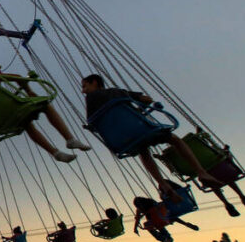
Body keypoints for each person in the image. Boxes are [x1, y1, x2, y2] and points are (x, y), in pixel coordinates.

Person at [80, 74, 220, 195]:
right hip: (140, 129)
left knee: (143, 150)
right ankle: (201, 171)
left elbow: (92, 122)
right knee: (174, 139)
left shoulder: (90, 100)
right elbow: (147, 99)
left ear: (95, 82)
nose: (83, 91)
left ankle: (162, 184)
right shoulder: (116, 92)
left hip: (122, 139)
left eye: (85, 86)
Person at [0, 61, 89, 163]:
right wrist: (28, 91)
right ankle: (69, 139)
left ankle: (55, 153)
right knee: (46, 106)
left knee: (26, 124)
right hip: (13, 109)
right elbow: (18, 78)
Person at [132, 196, 198, 242]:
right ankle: (185, 224)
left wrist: (135, 228)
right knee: (171, 218)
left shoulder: (140, 209)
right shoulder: (153, 202)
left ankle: (164, 238)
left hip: (156, 222)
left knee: (148, 225)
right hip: (165, 217)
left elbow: (137, 219)